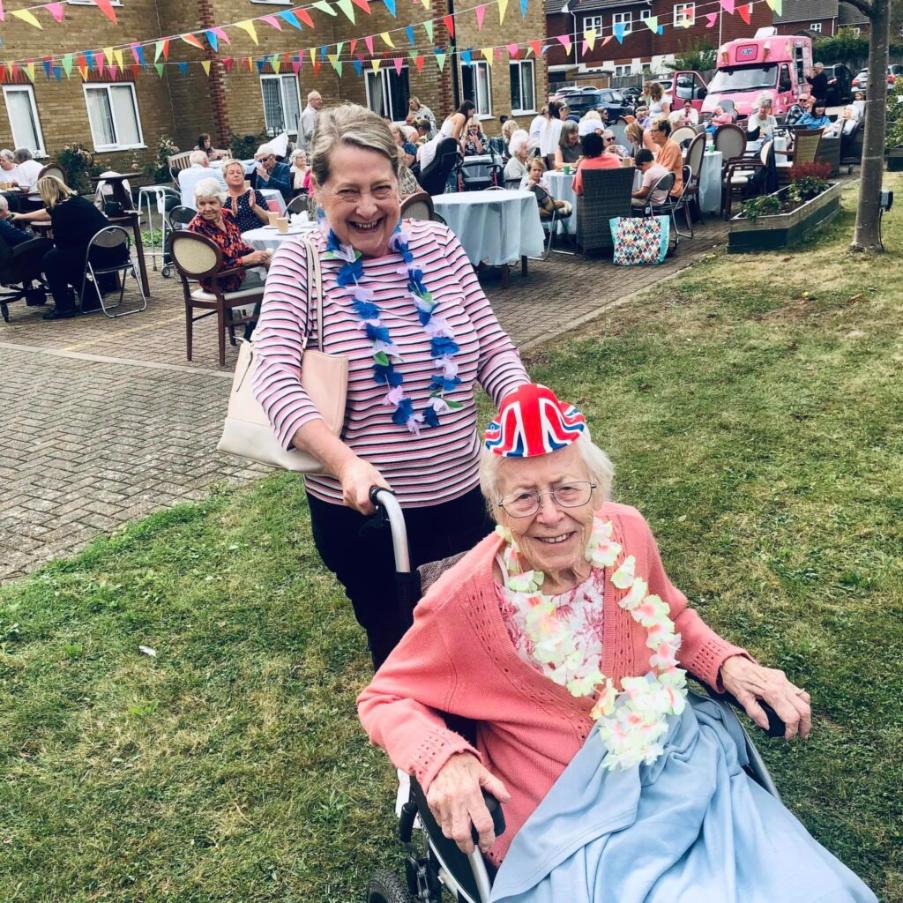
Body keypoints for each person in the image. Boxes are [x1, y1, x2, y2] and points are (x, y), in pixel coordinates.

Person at [357, 383, 878, 903]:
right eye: (523, 497)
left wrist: (730, 665)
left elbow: (670, 618)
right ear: (496, 507)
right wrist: (442, 758)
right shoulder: (462, 599)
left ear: (596, 487)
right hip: (567, 813)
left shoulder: (627, 532)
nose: (550, 514)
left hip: (676, 760)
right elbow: (384, 697)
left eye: (566, 489)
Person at [251, 104, 530, 669]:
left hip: (463, 499)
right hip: (372, 518)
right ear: (316, 187)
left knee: (485, 640)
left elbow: (491, 345)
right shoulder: (299, 264)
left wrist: (524, 402)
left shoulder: (439, 246)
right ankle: (427, 755)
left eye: (381, 187)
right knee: (413, 661)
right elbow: (274, 377)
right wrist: (343, 462)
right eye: (348, 190)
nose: (369, 206)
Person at [12, 176, 127, 320]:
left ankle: (64, 307)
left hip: (97, 256)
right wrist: (22, 216)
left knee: (51, 259)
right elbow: (50, 213)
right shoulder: (79, 202)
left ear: (46, 193)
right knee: (64, 257)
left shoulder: (61, 211)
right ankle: (90, 297)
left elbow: (62, 243)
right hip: (117, 252)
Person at [187, 178, 271, 293]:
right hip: (219, 281)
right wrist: (245, 260)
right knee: (274, 281)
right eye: (202, 203)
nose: (207, 208)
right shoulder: (197, 228)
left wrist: (260, 256)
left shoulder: (227, 215)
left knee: (275, 269)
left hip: (238, 273)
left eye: (212, 203)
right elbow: (207, 266)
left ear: (221, 202)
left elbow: (238, 246)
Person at [417, 101, 475, 172]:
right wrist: (461, 147)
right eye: (473, 112)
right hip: (445, 144)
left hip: (439, 140)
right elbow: (455, 136)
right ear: (468, 110)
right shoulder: (461, 116)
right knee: (450, 170)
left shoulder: (453, 115)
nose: (473, 115)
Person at [220, 159, 269, 233]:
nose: (236, 175)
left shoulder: (254, 194)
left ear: (243, 176)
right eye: (231, 173)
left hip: (258, 236)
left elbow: (269, 221)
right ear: (225, 177)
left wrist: (254, 207)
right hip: (234, 239)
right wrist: (231, 214)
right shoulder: (222, 199)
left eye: (239, 173)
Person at [649, 118, 683, 197]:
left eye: (654, 131)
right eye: (651, 131)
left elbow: (664, 171)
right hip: (660, 185)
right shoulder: (659, 147)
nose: (651, 134)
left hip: (670, 187)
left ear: (664, 132)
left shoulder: (672, 146)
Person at [540, 101, 568, 170]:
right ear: (560, 110)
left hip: (546, 157)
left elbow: (542, 143)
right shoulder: (562, 124)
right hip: (559, 157)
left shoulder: (544, 124)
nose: (566, 114)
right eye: (565, 110)